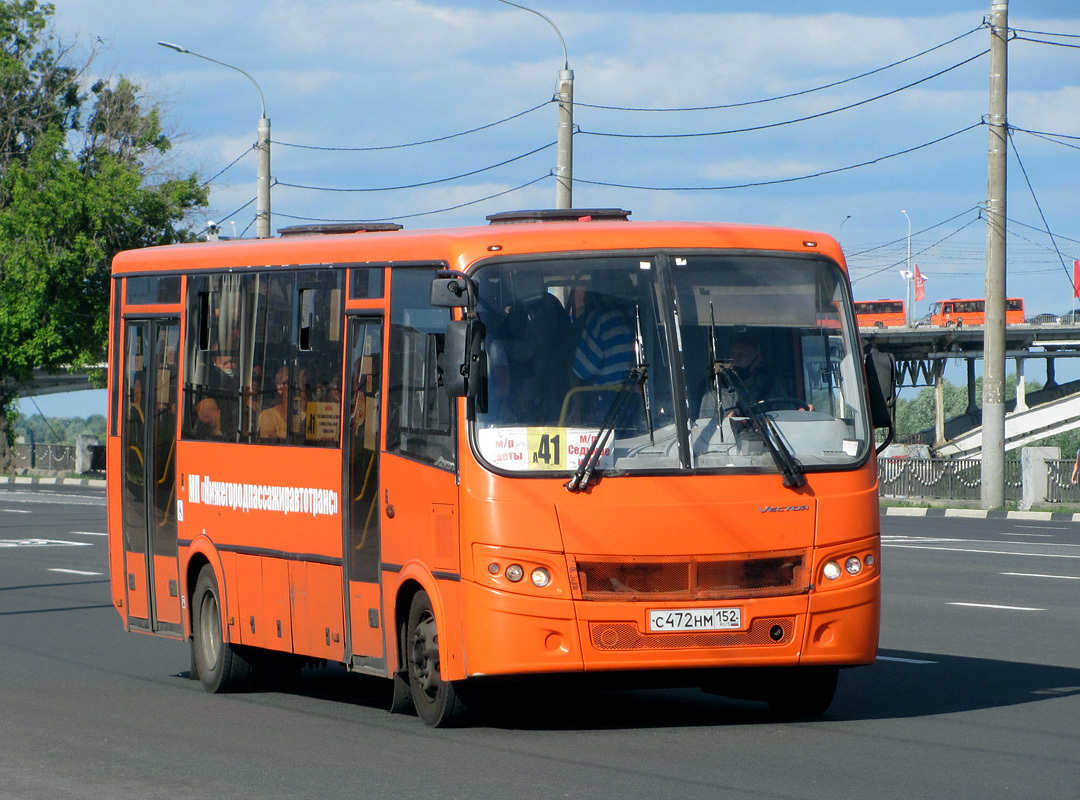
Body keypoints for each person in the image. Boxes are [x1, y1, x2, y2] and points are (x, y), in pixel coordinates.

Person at [258, 366, 289, 440]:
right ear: (279, 387)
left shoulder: (303, 414)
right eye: (287, 382)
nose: (295, 386)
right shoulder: (267, 416)